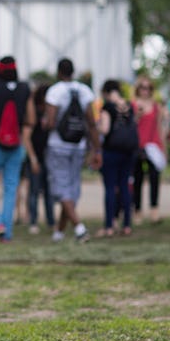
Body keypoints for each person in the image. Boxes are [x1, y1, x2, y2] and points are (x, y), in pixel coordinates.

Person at [0, 57, 37, 243]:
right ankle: (7, 234)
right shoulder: (25, 88)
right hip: (16, 144)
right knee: (11, 186)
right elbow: (31, 120)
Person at [43, 58, 102, 243]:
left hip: (58, 146)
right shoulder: (84, 91)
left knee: (62, 190)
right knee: (72, 189)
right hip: (78, 146)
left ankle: (79, 228)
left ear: (59, 73)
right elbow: (92, 123)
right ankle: (59, 232)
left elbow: (51, 123)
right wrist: (97, 150)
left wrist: (44, 123)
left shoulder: (55, 91)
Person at [96, 79, 138, 237]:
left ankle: (109, 226)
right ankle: (127, 224)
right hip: (128, 151)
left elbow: (105, 129)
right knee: (125, 187)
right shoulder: (128, 105)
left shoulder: (108, 106)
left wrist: (97, 125)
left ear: (106, 92)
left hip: (111, 151)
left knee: (110, 188)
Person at [132, 75, 167, 225]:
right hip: (137, 146)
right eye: (142, 87)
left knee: (154, 178)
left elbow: (160, 127)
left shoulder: (156, 106)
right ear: (138, 89)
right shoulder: (132, 105)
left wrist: (163, 147)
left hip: (153, 146)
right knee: (137, 179)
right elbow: (130, 127)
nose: (145, 91)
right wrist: (137, 117)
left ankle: (154, 211)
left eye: (148, 88)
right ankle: (137, 211)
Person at [26, 84, 55, 235]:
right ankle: (33, 221)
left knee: (49, 192)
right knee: (34, 191)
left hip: (48, 157)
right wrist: (33, 159)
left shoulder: (51, 114)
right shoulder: (34, 113)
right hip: (36, 157)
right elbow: (26, 138)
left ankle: (51, 222)